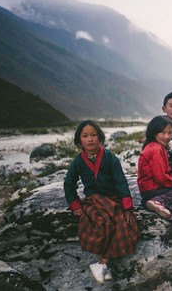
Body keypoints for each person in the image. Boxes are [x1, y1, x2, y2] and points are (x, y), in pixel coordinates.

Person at [63, 120, 139, 285]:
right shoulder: (78, 162)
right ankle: (103, 265)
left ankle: (101, 264)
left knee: (123, 224)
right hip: (93, 200)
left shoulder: (110, 158)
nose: (90, 139)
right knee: (101, 223)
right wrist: (75, 205)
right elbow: (69, 184)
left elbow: (121, 182)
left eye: (93, 135)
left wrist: (127, 208)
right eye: (85, 136)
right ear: (79, 141)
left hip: (113, 199)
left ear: (100, 137)